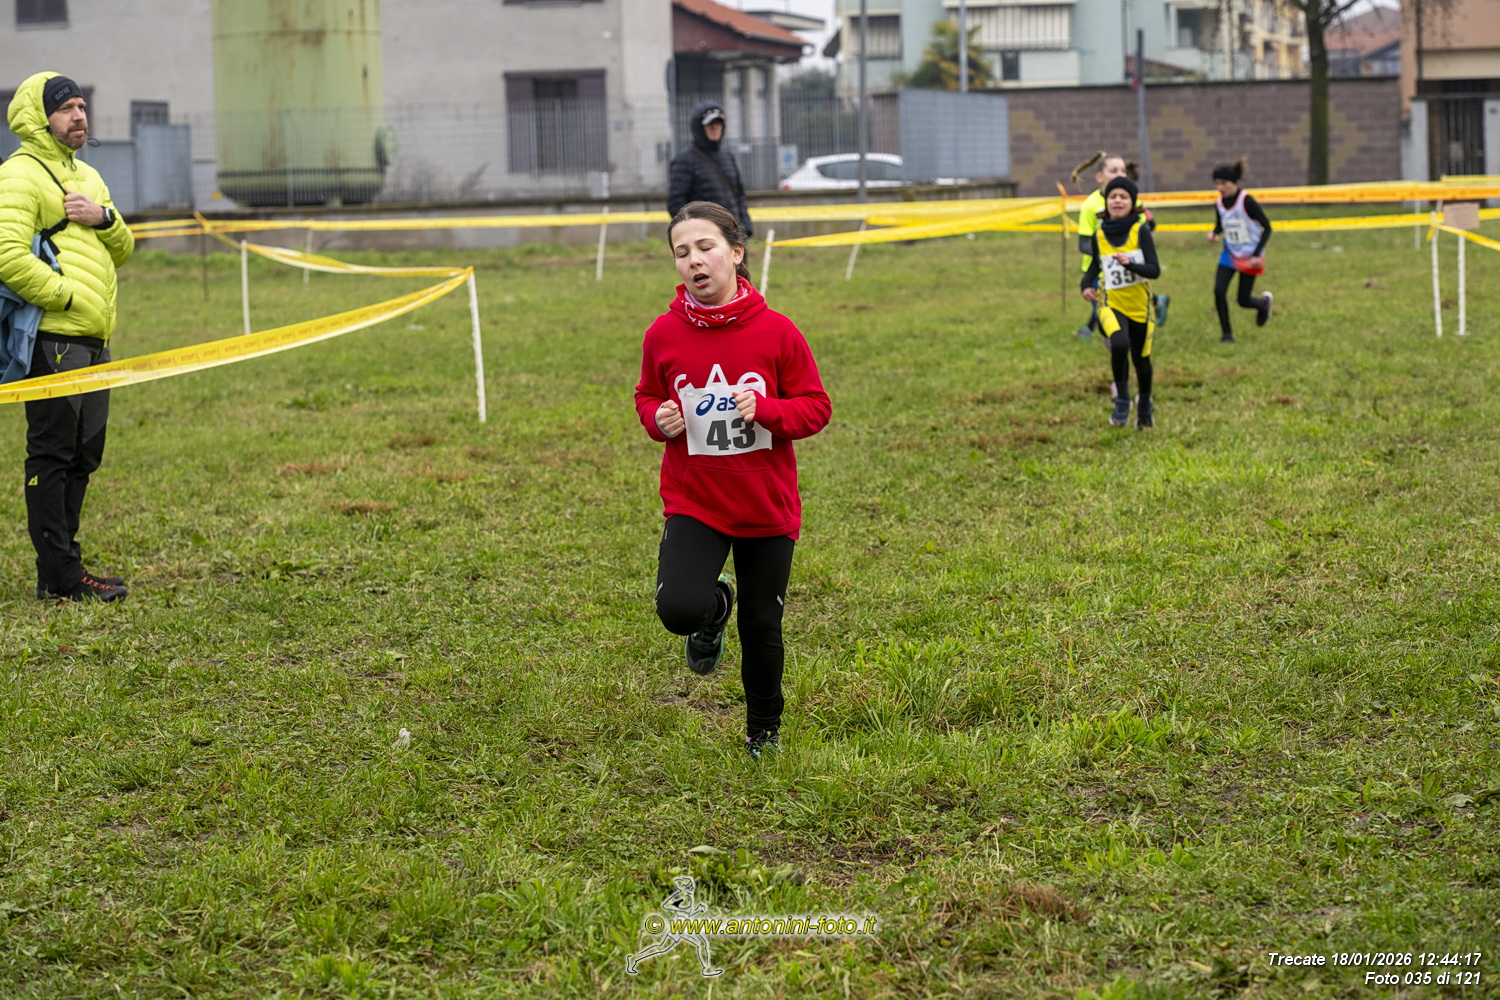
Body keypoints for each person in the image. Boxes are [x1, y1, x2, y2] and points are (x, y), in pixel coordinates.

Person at [634, 201, 830, 758]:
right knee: (678, 609)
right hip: (696, 499)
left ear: (736, 253)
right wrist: (658, 419)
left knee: (763, 625)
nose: (694, 261)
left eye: (706, 247)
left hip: (765, 504)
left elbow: (816, 408)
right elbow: (647, 395)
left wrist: (768, 410)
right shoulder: (663, 334)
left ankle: (763, 731)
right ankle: (714, 608)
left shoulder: (777, 332)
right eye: (682, 253)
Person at [0, 72, 133, 602]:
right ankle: (64, 576)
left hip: (96, 339)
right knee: (53, 454)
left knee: (84, 454)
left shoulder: (90, 176)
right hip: (54, 335)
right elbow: (7, 256)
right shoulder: (19, 174)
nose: (79, 115)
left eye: (81, 106)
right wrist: (68, 298)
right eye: (66, 108)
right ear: (41, 118)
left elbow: (124, 248)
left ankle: (59, 570)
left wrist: (103, 218)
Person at [1081, 176, 1159, 429]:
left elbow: (1154, 270)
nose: (1117, 201)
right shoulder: (1099, 235)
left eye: (1123, 197)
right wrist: (1085, 284)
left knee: (1141, 359)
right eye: (1113, 196)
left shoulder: (1140, 231)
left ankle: (1144, 403)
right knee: (1119, 343)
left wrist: (1131, 264)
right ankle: (1122, 400)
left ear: (1132, 203)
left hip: (1140, 305)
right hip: (1110, 301)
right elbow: (1095, 266)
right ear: (1106, 202)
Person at [1070, 152, 1167, 337]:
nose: (1120, 175)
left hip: (1129, 269)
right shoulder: (1090, 206)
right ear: (1100, 177)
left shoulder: (1132, 200)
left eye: (1123, 170)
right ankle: (1155, 303)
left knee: (1118, 313)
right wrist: (1105, 255)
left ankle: (1109, 334)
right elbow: (1083, 244)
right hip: (1098, 271)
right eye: (1114, 171)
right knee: (1105, 311)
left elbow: (1144, 232)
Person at [1207, 156, 1273, 344]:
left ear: (1233, 182)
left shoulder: (1247, 201)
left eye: (1224, 183)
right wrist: (1215, 232)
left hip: (1250, 255)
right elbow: (1221, 223)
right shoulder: (1219, 203)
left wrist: (1256, 254)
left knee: (1243, 300)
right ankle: (1227, 334)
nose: (1220, 187)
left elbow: (1267, 227)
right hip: (1229, 253)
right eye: (1217, 183)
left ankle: (1262, 304)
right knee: (1219, 291)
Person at [667, 103, 753, 239]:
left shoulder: (728, 156)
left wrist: (746, 226)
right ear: (699, 127)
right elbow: (675, 205)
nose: (715, 127)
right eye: (710, 124)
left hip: (732, 236)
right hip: (704, 239)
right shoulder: (684, 160)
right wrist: (697, 234)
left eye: (719, 123)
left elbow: (739, 196)